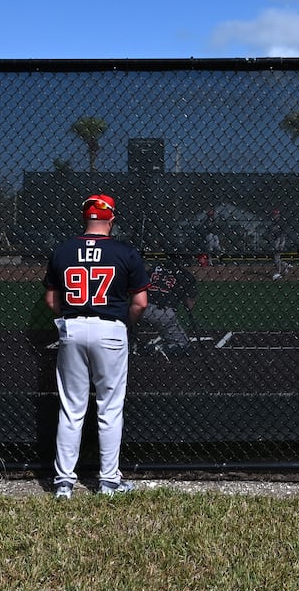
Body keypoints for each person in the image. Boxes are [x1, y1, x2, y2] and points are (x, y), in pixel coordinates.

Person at [42, 193, 149, 498]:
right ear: (111, 219)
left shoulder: (63, 250)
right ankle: (108, 481)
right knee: (110, 408)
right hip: (110, 330)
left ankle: (63, 482)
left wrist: (75, 321)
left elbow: (52, 299)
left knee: (72, 408)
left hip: (72, 329)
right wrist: (123, 324)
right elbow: (140, 303)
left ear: (84, 218)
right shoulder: (125, 251)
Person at [141, 253, 198, 357]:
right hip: (163, 314)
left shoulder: (154, 269)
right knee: (183, 347)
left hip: (140, 309)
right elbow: (190, 305)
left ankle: (132, 343)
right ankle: (158, 349)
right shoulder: (185, 275)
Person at [269, 208, 289, 278]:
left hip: (280, 240)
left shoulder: (281, 222)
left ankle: (278, 273)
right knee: (276, 257)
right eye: (274, 214)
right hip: (276, 240)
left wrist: (280, 243)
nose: (274, 215)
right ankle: (285, 265)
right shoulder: (274, 222)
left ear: (278, 215)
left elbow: (282, 233)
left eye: (275, 214)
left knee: (276, 256)